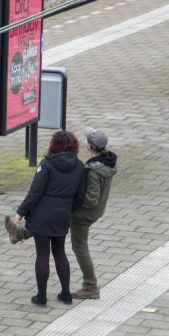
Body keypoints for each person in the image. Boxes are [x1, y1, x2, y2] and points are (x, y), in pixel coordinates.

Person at [4, 130, 85, 306]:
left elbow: (35, 192)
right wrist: (67, 210)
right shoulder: (80, 167)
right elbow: (80, 196)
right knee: (60, 253)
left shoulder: (47, 164)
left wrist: (20, 213)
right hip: (62, 216)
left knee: (42, 254)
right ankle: (66, 293)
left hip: (42, 215)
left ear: (54, 145)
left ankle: (41, 296)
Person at [70, 127, 117, 299]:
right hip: (96, 211)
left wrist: (73, 205)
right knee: (50, 216)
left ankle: (90, 286)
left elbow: (91, 198)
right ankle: (21, 233)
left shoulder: (93, 171)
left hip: (84, 214)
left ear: (89, 145)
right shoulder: (108, 161)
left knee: (80, 247)